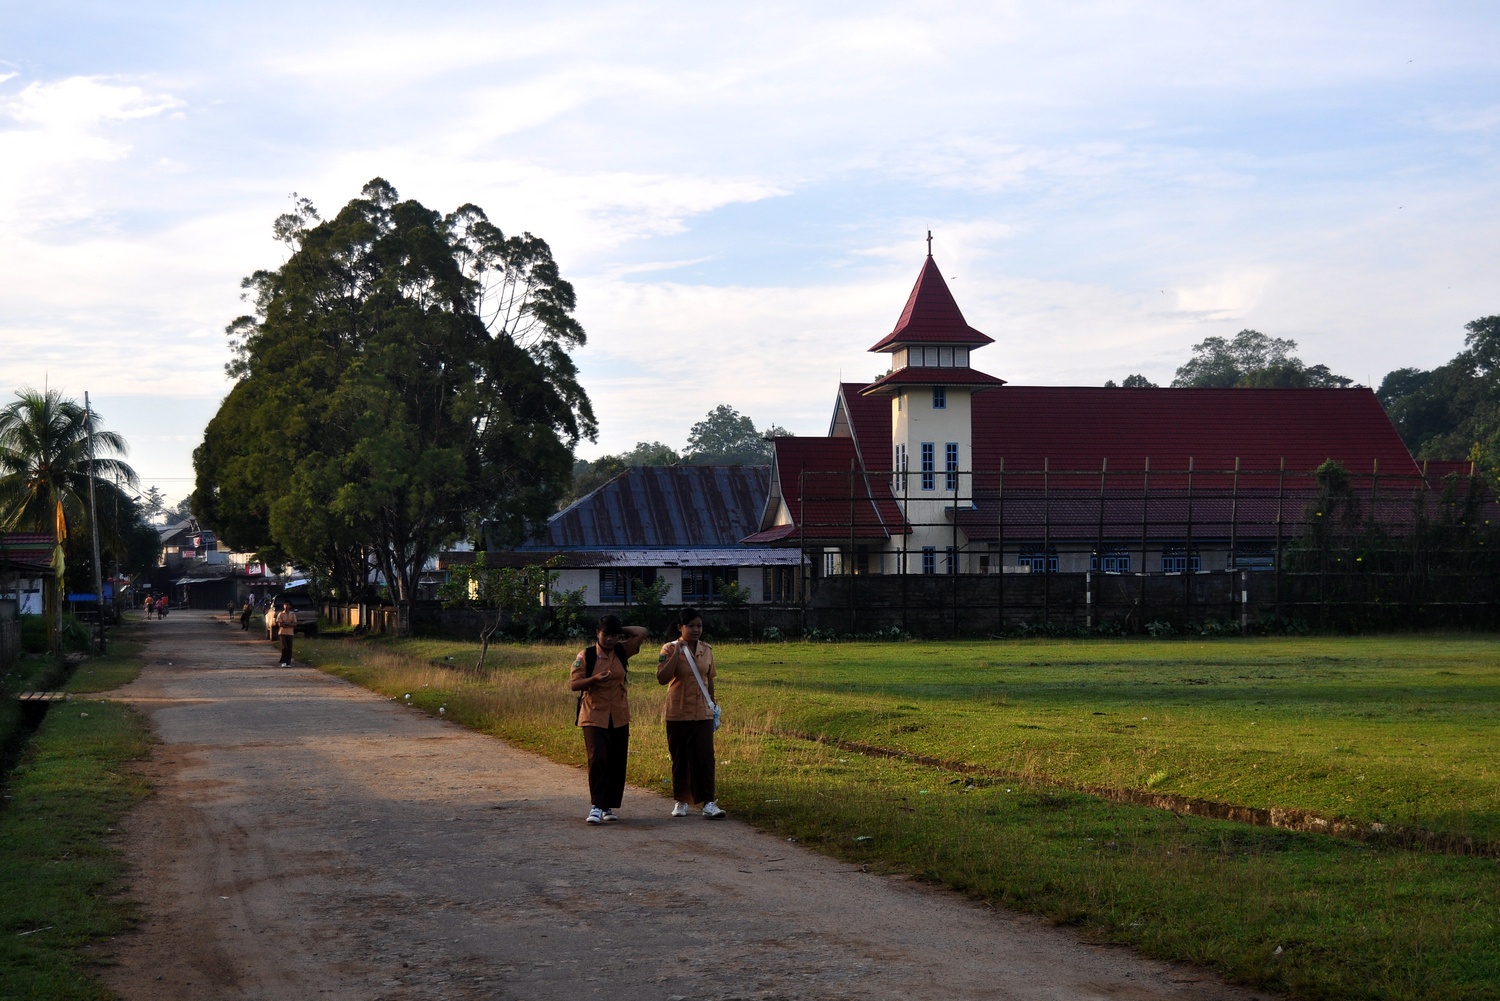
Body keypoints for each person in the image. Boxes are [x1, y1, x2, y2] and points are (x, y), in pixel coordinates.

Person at [569, 615, 647, 825]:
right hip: (593, 714)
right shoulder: (587, 655)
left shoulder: (622, 651)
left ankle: (608, 805)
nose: (610, 639)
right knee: (598, 758)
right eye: (606, 634)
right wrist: (594, 679)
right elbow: (574, 684)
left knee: (616, 760)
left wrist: (618, 626)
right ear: (597, 633)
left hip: (619, 715)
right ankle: (596, 805)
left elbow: (641, 632)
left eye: (614, 635)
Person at [656, 606, 725, 819]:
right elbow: (662, 678)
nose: (696, 630)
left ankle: (709, 802)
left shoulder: (707, 649)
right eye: (691, 626)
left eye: (699, 626)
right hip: (677, 712)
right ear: (680, 627)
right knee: (680, 757)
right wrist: (677, 652)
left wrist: (713, 705)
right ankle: (681, 801)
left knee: (705, 757)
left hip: (702, 713)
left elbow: (709, 679)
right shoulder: (668, 649)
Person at [275, 600, 298, 667]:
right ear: (283, 606)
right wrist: (290, 624)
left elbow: (295, 623)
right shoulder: (280, 614)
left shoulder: (292, 614)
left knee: (289, 648)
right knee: (285, 647)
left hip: (290, 633)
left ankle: (288, 662)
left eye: (288, 605)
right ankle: (284, 661)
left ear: (290, 606)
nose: (286, 606)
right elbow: (280, 624)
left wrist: (286, 624)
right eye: (285, 605)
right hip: (282, 633)